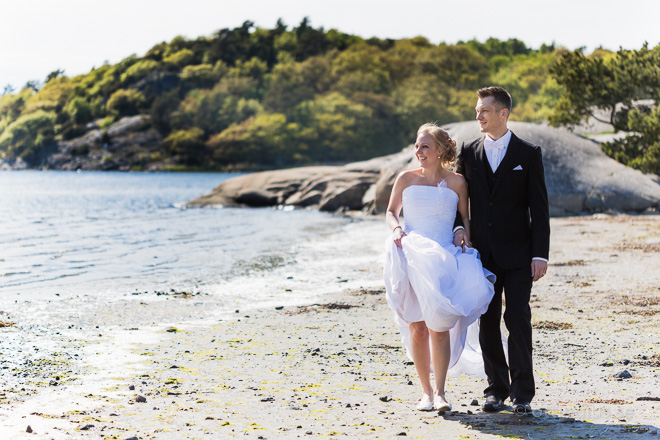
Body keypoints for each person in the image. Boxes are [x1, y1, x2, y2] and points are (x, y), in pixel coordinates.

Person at [383, 122, 496, 411]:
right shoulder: (405, 178)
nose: (418, 151)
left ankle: (442, 392)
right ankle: (425, 393)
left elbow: (465, 220)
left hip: (445, 257)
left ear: (440, 150)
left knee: (439, 324)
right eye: (417, 145)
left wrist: (462, 233)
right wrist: (396, 230)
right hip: (411, 252)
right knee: (418, 326)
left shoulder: (458, 182)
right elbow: (391, 212)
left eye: (425, 146)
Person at [454, 86, 550, 414]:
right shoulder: (467, 152)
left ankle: (523, 393)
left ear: (503, 113)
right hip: (482, 255)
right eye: (477, 110)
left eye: (484, 110)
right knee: (488, 319)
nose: (478, 116)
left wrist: (541, 254)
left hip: (521, 254)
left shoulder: (528, 153)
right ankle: (496, 389)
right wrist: (457, 228)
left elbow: (539, 208)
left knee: (518, 317)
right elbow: (459, 199)